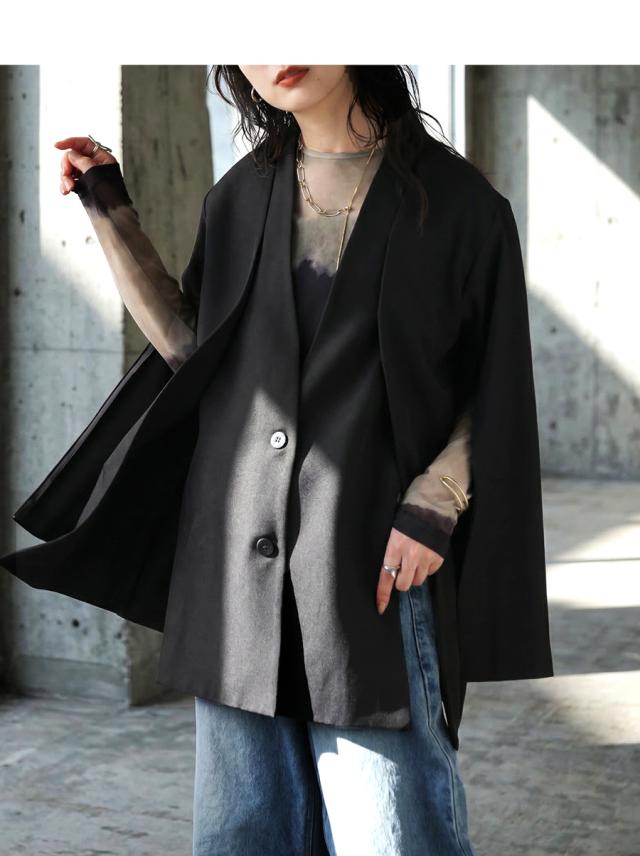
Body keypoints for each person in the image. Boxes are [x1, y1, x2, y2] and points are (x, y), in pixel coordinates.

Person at [10, 64, 549, 855]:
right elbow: (198, 351)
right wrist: (109, 208)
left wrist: (438, 497)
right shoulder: (242, 195)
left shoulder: (458, 204)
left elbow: (494, 378)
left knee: (388, 834)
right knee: (242, 835)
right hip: (235, 571)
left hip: (368, 560)